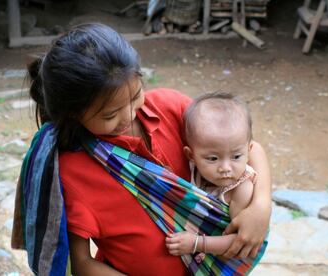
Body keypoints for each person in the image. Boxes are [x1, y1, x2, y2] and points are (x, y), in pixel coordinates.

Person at [14, 23, 272, 275]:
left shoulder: (171, 107)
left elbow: (249, 148)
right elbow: (81, 263)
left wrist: (261, 207)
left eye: (136, 95)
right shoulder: (73, 170)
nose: (127, 117)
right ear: (73, 114)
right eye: (110, 114)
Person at [165, 92, 262, 258]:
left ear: (248, 150)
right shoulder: (192, 169)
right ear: (191, 156)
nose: (225, 168)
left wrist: (196, 243)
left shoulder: (241, 188)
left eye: (236, 156)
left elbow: (241, 239)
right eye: (213, 158)